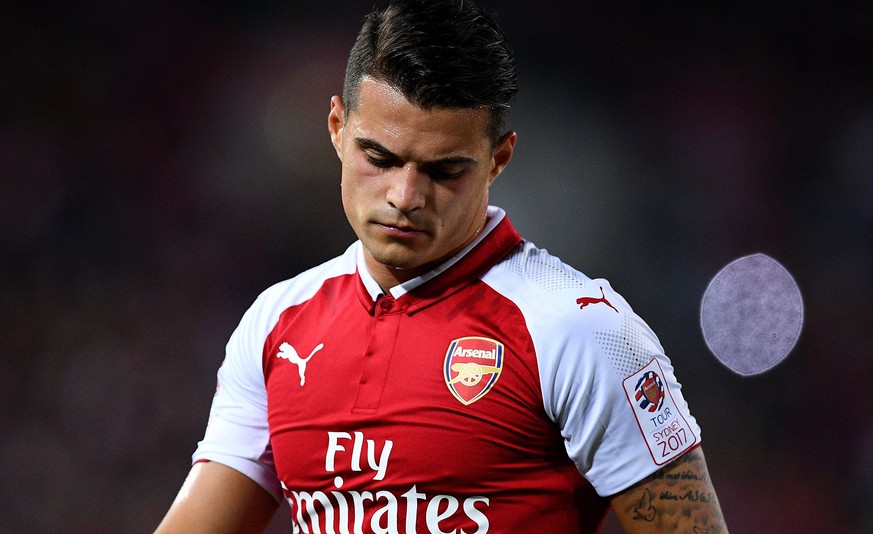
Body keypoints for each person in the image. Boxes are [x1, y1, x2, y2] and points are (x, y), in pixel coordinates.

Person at [156, 1, 728, 532]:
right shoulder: (276, 325)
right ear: (336, 128)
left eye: (443, 170)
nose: (405, 195)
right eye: (378, 157)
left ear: (498, 158)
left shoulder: (581, 331)